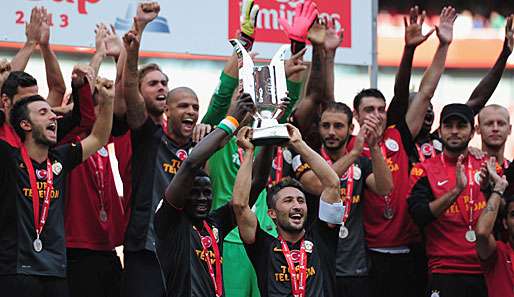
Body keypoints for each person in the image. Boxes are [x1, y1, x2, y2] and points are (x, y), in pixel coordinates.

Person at [119, 3, 209, 296]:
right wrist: (137, 39)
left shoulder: (199, 144)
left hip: (186, 248)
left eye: (195, 107)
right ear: (166, 110)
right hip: (146, 248)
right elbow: (130, 88)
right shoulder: (149, 136)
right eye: (183, 105)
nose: (191, 111)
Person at [0, 78, 114, 297]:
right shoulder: (7, 158)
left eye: (52, 112)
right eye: (43, 113)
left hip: (55, 272)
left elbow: (98, 138)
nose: (53, 115)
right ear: (26, 125)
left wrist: (108, 101)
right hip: (14, 272)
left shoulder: (61, 159)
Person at [154, 93, 255, 297]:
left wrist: (259, 147)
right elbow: (190, 165)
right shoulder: (169, 220)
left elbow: (258, 183)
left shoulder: (215, 222)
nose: (202, 198)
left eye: (207, 193)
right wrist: (231, 120)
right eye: (194, 193)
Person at [291, 102, 392, 297]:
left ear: (350, 128)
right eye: (325, 125)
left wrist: (374, 146)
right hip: (315, 263)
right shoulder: (304, 158)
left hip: (354, 265)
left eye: (338, 126)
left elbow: (385, 187)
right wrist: (354, 153)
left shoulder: (362, 164)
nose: (331, 132)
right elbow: (317, 185)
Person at [233, 123, 342, 297]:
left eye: (301, 200)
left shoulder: (322, 239)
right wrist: (248, 153)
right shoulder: (262, 246)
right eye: (288, 201)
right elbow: (239, 205)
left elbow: (332, 184)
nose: (297, 206)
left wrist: (298, 144)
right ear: (272, 213)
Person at [408, 103, 489, 297]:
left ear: (472, 132)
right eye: (448, 126)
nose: (454, 131)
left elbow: (504, 213)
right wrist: (456, 190)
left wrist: (488, 188)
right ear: (441, 130)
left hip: (485, 270)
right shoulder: (423, 169)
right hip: (444, 271)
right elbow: (420, 216)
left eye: (461, 126)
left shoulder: (487, 166)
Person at [475, 158, 513, 297]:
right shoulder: (498, 254)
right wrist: (498, 189)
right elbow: (482, 233)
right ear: (505, 223)